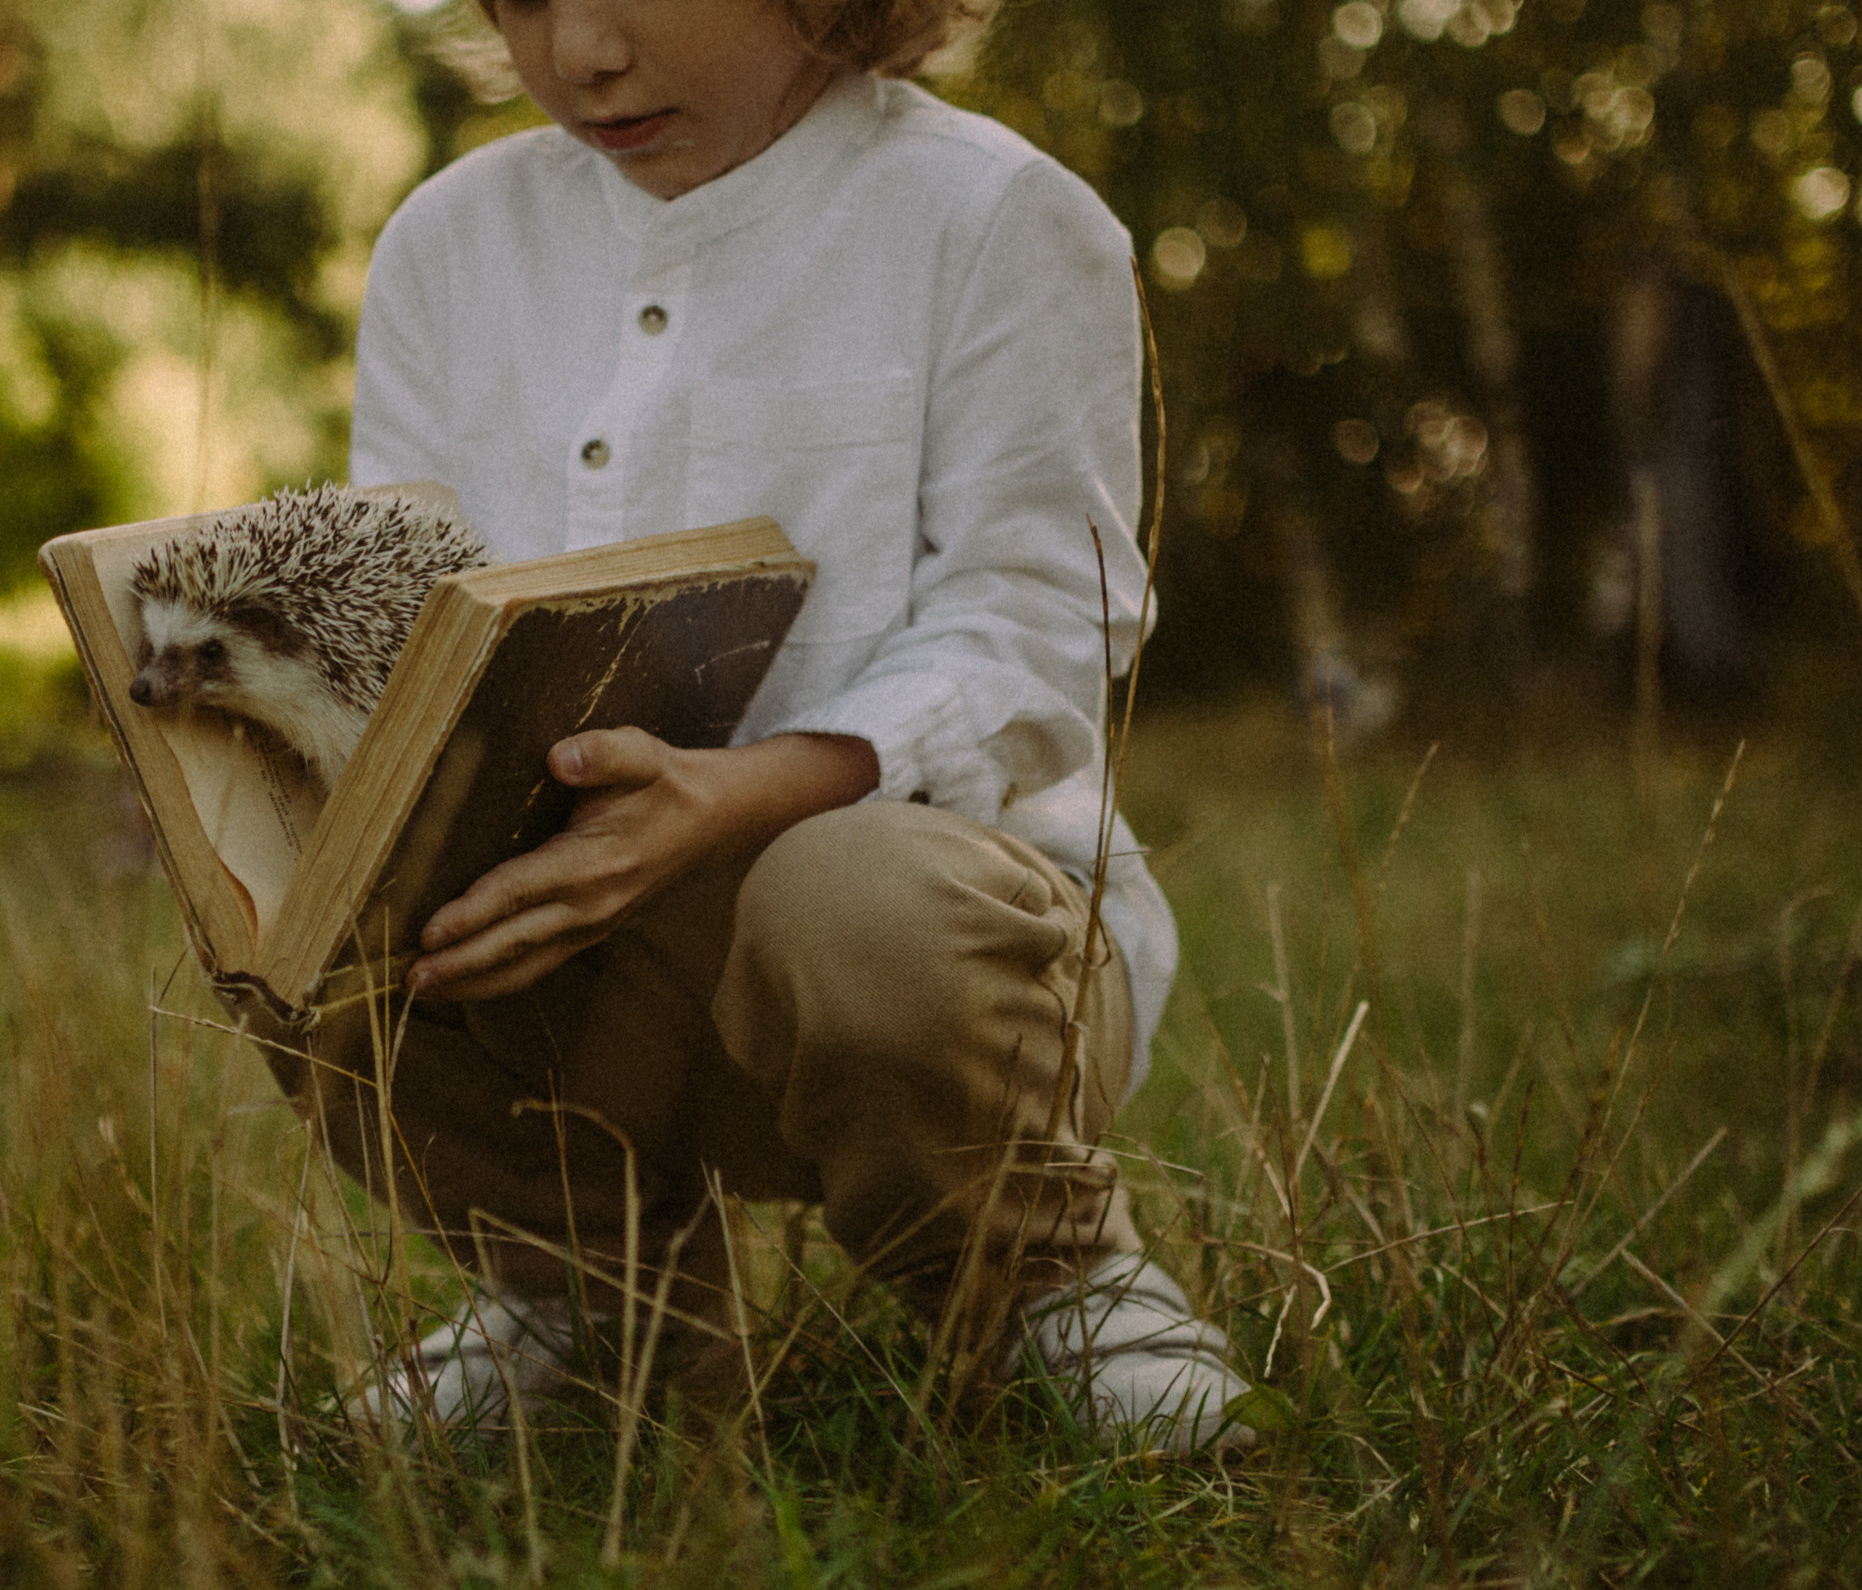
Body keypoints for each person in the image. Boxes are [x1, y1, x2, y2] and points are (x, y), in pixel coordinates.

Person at [260, 0, 1254, 1454]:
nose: (581, 55)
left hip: (948, 953)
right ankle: (590, 1300)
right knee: (289, 893)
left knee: (847, 896)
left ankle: (1052, 1282)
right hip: (577, 942)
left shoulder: (994, 217)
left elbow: (1039, 625)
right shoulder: (450, 244)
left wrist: (741, 795)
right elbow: (410, 614)